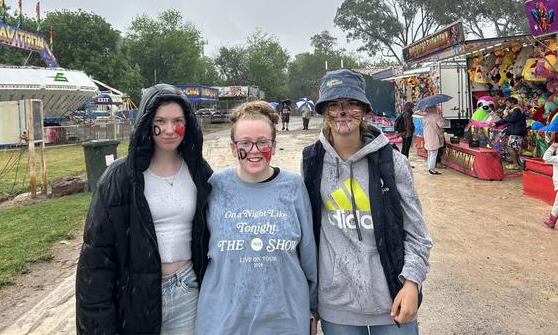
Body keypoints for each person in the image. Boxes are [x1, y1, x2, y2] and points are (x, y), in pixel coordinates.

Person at [302, 69, 432, 335]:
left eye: (351, 103)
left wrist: (412, 283)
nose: (343, 111)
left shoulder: (393, 162)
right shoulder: (312, 162)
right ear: (324, 111)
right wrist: (310, 304)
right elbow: (308, 235)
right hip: (337, 306)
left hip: (392, 300)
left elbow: (417, 234)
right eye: (334, 104)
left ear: (364, 109)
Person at [76, 84, 213, 335]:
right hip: (134, 296)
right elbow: (97, 257)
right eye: (160, 121)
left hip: (187, 289)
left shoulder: (199, 172)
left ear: (188, 124)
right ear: (147, 124)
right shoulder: (119, 178)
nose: (170, 129)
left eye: (177, 121)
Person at [196, 101, 317, 334]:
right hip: (223, 321)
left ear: (273, 145)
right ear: (233, 148)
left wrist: (313, 308)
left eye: (263, 142)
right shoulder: (215, 186)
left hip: (284, 321)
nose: (254, 150)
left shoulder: (293, 187)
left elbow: (309, 256)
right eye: (245, 143)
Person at [494, 96, 527, 170]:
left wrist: (506, 115)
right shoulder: (513, 110)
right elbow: (506, 120)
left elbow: (512, 119)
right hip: (515, 131)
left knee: (511, 148)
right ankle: (516, 163)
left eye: (508, 103)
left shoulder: (517, 110)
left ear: (512, 103)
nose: (507, 105)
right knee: (513, 148)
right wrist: (496, 123)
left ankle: (515, 164)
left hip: (516, 131)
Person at [421, 105, 446, 175]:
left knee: (429, 153)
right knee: (434, 154)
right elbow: (441, 125)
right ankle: (431, 169)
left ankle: (430, 168)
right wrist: (441, 117)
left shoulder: (425, 117)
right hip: (434, 137)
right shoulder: (436, 116)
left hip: (427, 137)